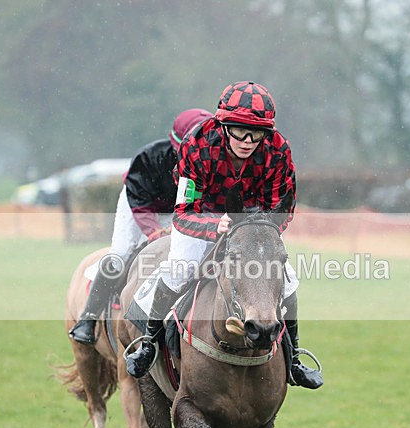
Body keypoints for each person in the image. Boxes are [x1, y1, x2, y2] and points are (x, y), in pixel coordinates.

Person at [125, 81, 323, 390]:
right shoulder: (197, 145)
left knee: (288, 280)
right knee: (180, 271)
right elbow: (183, 211)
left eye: (256, 134)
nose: (247, 141)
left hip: (253, 225)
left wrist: (253, 231)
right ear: (222, 124)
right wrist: (213, 226)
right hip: (202, 217)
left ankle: (294, 358)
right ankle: (149, 344)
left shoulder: (279, 152)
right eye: (238, 130)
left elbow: (281, 210)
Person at [69, 108, 213, 345]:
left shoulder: (213, 162)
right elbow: (140, 201)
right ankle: (88, 319)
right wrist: (153, 231)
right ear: (176, 145)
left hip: (183, 211)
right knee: (121, 253)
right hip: (142, 205)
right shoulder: (149, 158)